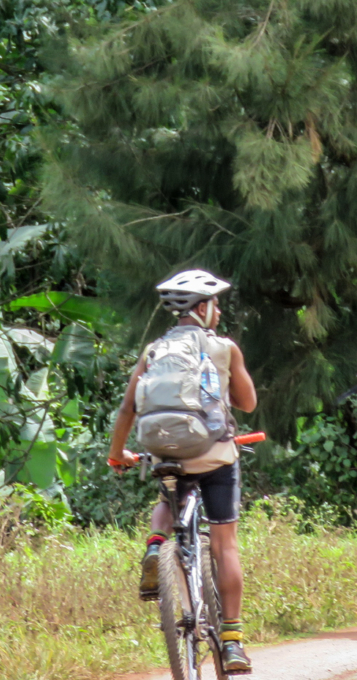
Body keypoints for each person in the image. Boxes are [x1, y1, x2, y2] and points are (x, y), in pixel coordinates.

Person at [108, 269, 258, 674]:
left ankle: (157, 547)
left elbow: (127, 409)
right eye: (216, 304)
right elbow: (247, 403)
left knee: (167, 496)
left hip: (164, 454)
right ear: (204, 308)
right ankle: (231, 640)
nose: (220, 310)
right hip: (214, 456)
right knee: (225, 545)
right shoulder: (225, 348)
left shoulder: (153, 350)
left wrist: (118, 452)